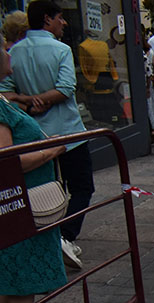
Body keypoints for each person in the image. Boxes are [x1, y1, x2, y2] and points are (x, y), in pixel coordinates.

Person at [0, 0, 92, 271]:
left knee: (45, 190)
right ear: (48, 20)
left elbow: (7, 95)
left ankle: (54, 234)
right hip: (67, 134)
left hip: (34, 135)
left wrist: (27, 100)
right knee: (82, 187)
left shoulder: (14, 52)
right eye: (60, 18)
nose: (63, 23)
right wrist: (40, 99)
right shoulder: (61, 49)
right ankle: (63, 235)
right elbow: (66, 88)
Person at [0, 32, 67, 303]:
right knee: (21, 275)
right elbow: (8, 160)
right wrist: (53, 149)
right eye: (2, 47)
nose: (9, 52)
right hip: (20, 204)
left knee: (11, 273)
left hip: (18, 202)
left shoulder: (4, 98)